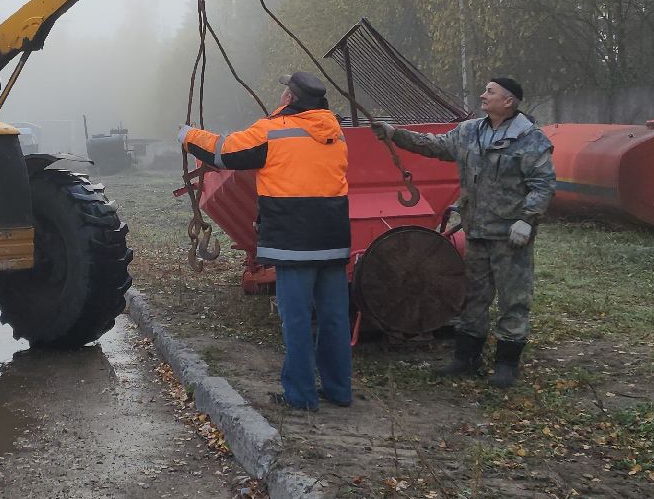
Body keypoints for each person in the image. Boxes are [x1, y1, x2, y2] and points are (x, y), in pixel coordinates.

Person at [179, 71, 352, 411]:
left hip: (293, 242)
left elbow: (224, 151)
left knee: (298, 318)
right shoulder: (335, 132)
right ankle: (339, 391)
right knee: (333, 317)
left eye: (285, 90)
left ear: (290, 99)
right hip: (332, 238)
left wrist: (188, 136)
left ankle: (301, 397)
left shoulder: (274, 131)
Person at [371, 77, 554, 387]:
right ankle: (465, 358)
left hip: (511, 236)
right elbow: (434, 145)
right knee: (473, 297)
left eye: (490, 92)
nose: (483, 95)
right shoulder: (470, 132)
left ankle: (507, 364)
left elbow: (543, 184)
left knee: (513, 300)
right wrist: (395, 135)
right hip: (477, 232)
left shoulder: (529, 138)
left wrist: (528, 218)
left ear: (508, 101)